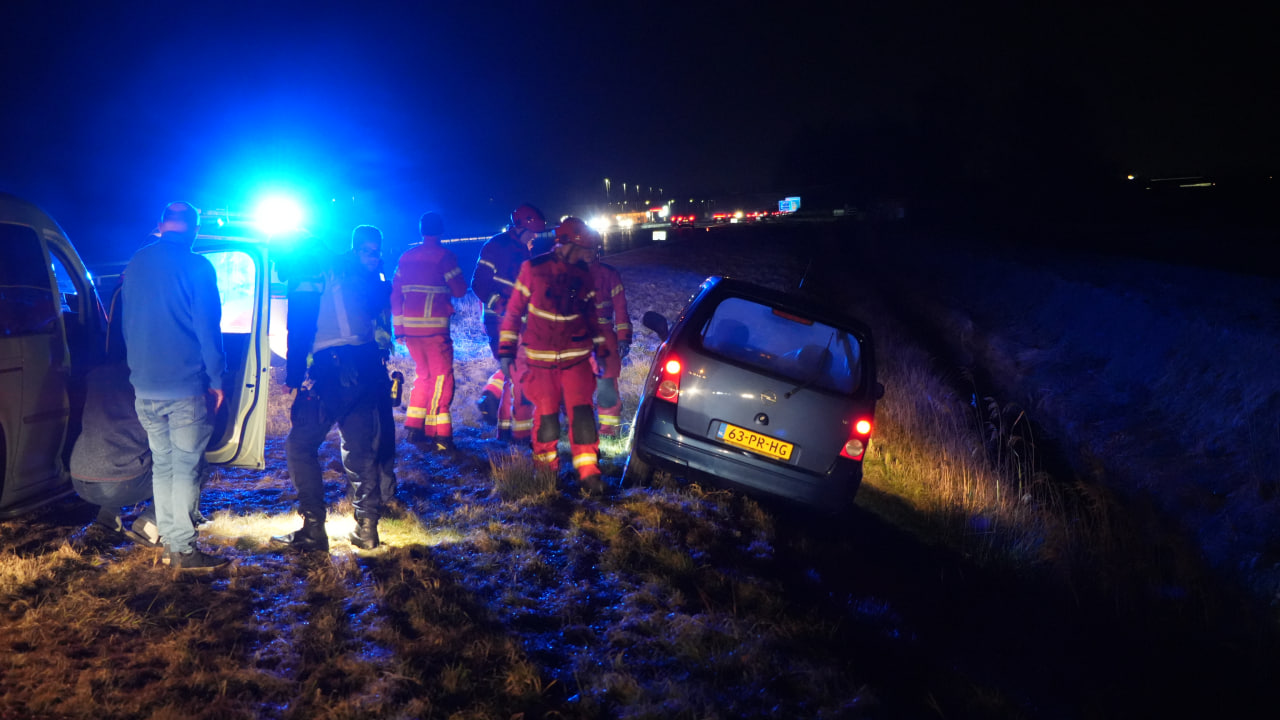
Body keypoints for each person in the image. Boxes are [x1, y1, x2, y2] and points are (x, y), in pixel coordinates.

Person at [122, 201, 227, 572]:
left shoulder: (137, 262)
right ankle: (183, 550)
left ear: (160, 225)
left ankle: (170, 544)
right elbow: (208, 330)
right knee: (184, 468)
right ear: (195, 230)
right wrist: (217, 380)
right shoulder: (198, 266)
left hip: (144, 387)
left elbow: (127, 324)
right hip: (184, 388)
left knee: (163, 466)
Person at [274, 226, 387, 552]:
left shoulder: (307, 269)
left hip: (336, 368)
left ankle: (313, 529)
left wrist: (294, 377)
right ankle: (367, 529)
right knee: (359, 447)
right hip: (367, 366)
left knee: (299, 445)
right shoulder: (345, 268)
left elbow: (299, 326)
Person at [498, 217, 615, 494]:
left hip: (577, 361)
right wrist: (506, 351)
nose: (591, 255)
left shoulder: (584, 275)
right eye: (587, 249)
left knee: (583, 417)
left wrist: (600, 350)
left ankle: (589, 474)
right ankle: (546, 474)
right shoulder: (533, 269)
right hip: (541, 363)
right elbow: (513, 312)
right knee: (547, 420)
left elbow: (591, 317)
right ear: (571, 244)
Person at [391, 212, 468, 452]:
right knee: (442, 379)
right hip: (436, 331)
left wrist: (399, 330)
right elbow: (459, 290)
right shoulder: (445, 257)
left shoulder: (406, 257)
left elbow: (395, 295)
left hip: (411, 332)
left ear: (421, 230)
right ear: (441, 230)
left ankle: (414, 428)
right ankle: (439, 436)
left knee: (423, 376)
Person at [471, 203, 544, 442]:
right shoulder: (496, 246)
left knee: (514, 372)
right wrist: (503, 307)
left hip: (514, 322)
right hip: (500, 321)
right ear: (521, 227)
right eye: (533, 232)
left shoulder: (521, 250)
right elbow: (478, 283)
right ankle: (519, 435)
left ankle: (504, 429)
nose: (535, 237)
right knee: (520, 374)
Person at [343, 226, 398, 502]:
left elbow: (382, 315)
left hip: (374, 360)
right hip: (351, 362)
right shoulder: (346, 278)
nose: (373, 257)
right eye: (367, 251)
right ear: (355, 251)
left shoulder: (377, 275)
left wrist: (384, 346)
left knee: (383, 427)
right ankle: (364, 493)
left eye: (377, 251)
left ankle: (385, 492)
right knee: (360, 432)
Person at [587, 247, 631, 437]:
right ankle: (580, 426)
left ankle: (609, 431)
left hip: (603, 336)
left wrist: (623, 338)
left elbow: (621, 308)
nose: (586, 253)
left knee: (606, 385)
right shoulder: (567, 273)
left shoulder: (608, 274)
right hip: (575, 336)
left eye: (589, 249)